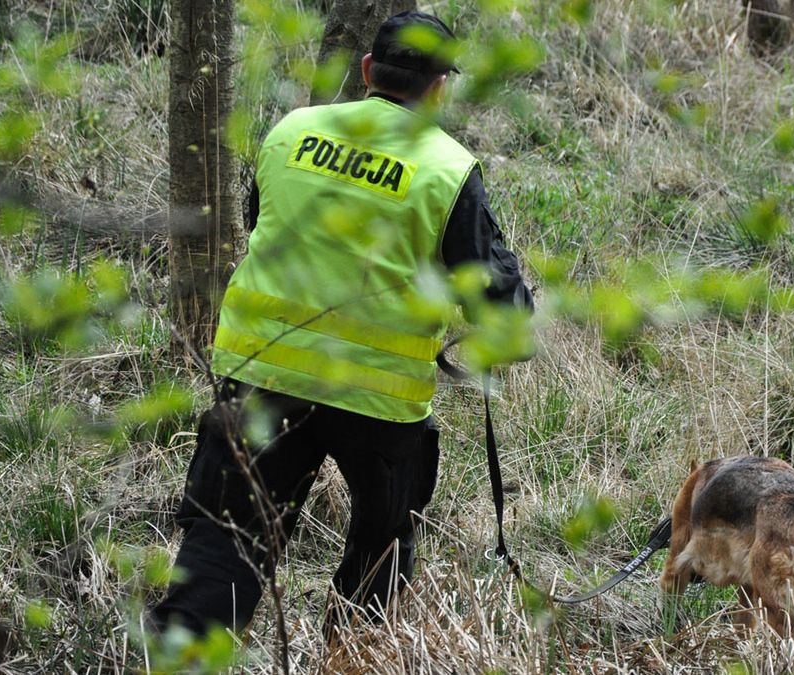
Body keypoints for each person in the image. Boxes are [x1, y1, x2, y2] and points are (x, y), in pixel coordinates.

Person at [151, 10, 533, 638]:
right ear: (440, 89)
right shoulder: (447, 167)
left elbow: (263, 224)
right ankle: (352, 651)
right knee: (382, 549)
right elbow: (495, 301)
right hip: (378, 404)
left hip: (262, 375)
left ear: (366, 70)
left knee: (224, 549)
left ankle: (183, 653)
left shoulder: (291, 131)